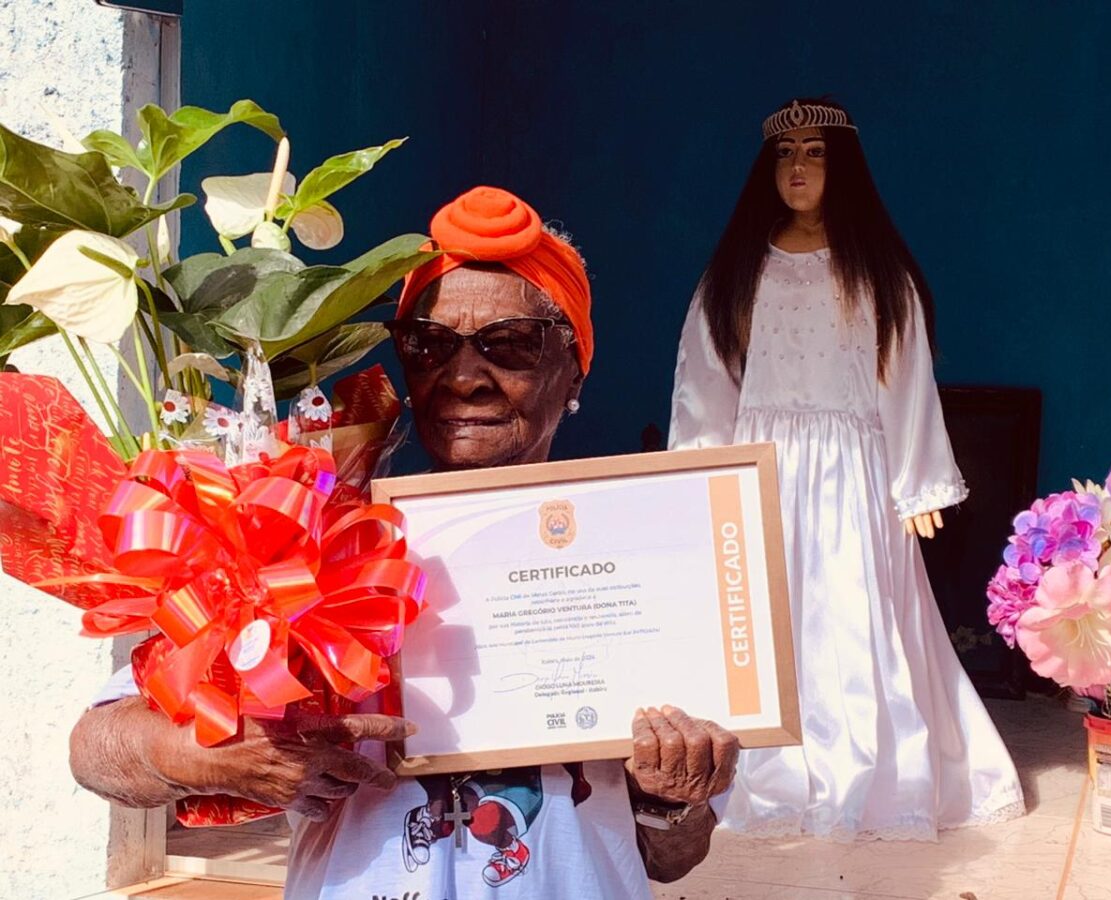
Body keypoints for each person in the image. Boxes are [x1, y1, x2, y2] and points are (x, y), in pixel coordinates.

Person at [70, 186, 738, 898]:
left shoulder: (646, 562)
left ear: (574, 367)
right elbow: (97, 750)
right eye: (429, 345)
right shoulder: (310, 541)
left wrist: (674, 799)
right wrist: (218, 757)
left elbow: (671, 857)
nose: (464, 376)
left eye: (509, 345)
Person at [669, 98, 1024, 841]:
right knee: (769, 617)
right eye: (785, 154)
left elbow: (907, 380)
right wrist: (702, 473)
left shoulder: (877, 274)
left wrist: (916, 480)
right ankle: (768, 765)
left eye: (815, 153)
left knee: (857, 617)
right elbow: (706, 381)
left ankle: (872, 769)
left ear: (844, 168)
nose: (797, 168)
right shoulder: (738, 272)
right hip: (761, 472)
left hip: (854, 475)